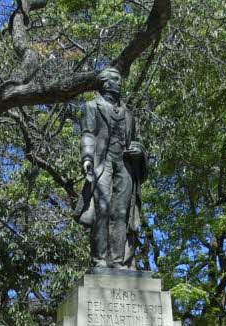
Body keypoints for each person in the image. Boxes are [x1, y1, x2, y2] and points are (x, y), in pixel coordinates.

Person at [75, 68, 148, 270]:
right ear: (105, 83)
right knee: (103, 210)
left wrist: (139, 150)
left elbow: (135, 141)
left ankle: (118, 262)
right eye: (115, 79)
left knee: (122, 212)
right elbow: (88, 134)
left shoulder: (128, 114)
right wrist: (87, 158)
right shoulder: (92, 107)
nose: (119, 83)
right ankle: (99, 260)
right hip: (102, 162)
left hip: (125, 165)